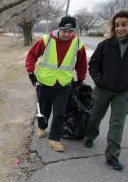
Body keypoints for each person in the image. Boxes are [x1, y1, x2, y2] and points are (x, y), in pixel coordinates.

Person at [25, 16, 87, 152]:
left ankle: (54, 139)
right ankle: (42, 127)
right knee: (43, 109)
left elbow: (82, 62)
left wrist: (81, 78)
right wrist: (30, 72)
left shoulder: (77, 43)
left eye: (70, 31)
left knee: (60, 113)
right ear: (59, 29)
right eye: (64, 30)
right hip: (45, 82)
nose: (67, 34)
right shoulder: (46, 40)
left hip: (64, 84)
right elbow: (31, 55)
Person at [84, 10, 128, 171]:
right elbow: (94, 65)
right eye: (117, 25)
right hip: (102, 90)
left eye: (124, 25)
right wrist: (100, 81)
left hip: (123, 92)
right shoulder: (105, 45)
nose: (120, 28)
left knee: (117, 124)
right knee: (94, 116)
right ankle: (90, 136)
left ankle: (112, 156)